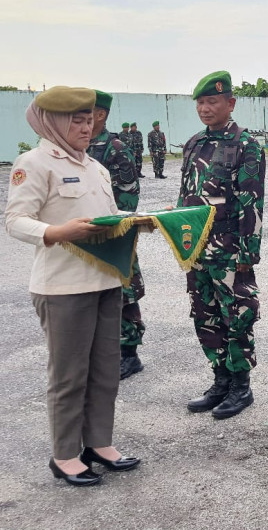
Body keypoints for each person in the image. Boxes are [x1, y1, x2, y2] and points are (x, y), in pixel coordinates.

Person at [5, 86, 140, 487]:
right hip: (63, 288)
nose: (87, 128)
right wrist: (56, 231)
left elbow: (109, 219)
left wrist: (136, 222)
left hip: (105, 281)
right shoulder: (34, 163)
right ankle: (64, 454)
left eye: (89, 120)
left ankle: (99, 443)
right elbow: (14, 220)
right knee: (69, 376)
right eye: (77, 122)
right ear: (55, 123)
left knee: (104, 371)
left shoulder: (95, 168)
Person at [178, 71, 266, 419]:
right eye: (200, 102)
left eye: (212, 101)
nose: (205, 108)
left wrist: (248, 252)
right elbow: (185, 198)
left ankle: (241, 386)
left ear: (230, 103)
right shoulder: (194, 144)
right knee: (205, 314)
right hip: (197, 249)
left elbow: (252, 202)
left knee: (237, 315)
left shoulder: (246, 145)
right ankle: (220, 380)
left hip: (230, 249)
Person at [87, 90, 147, 380]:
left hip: (113, 234)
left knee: (124, 292)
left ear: (101, 114)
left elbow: (128, 197)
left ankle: (129, 354)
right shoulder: (79, 146)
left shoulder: (115, 148)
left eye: (86, 111)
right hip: (85, 234)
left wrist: (107, 225)